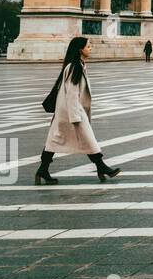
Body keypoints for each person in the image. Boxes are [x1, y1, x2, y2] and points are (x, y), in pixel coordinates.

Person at [35, 36, 120, 185]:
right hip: (72, 112)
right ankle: (101, 167)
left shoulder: (76, 65)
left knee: (54, 142)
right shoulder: (75, 66)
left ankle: (43, 169)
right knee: (88, 140)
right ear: (80, 49)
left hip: (66, 112)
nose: (90, 48)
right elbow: (73, 93)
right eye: (88, 46)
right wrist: (75, 117)